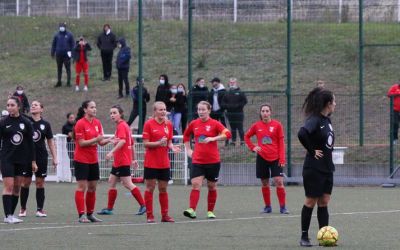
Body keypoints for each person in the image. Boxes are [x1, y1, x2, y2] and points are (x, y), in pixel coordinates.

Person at [297, 87, 336, 247]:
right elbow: (302, 133)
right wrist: (312, 151)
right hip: (314, 168)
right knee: (311, 201)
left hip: (327, 167)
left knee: (324, 201)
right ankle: (304, 237)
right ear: (328, 104)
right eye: (334, 101)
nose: (335, 104)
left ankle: (324, 237)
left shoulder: (327, 120)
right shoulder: (315, 119)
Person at [182, 101, 231, 220]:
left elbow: (227, 134)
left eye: (203, 109)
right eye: (199, 109)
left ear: (209, 110)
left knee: (212, 186)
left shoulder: (215, 123)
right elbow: (186, 135)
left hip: (213, 161)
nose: (201, 112)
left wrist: (214, 138)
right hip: (198, 160)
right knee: (195, 184)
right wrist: (188, 150)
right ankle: (192, 209)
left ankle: (210, 211)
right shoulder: (194, 123)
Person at [97, 105, 146, 216]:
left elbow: (123, 141)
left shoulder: (122, 126)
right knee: (112, 181)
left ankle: (143, 205)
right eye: (111, 113)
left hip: (122, 160)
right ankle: (109, 208)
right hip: (119, 160)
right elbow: (131, 144)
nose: (112, 115)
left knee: (128, 184)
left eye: (114, 113)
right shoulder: (124, 126)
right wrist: (133, 159)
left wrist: (111, 152)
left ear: (121, 114)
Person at [244, 103, 289, 215]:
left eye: (267, 111)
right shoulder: (256, 126)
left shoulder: (277, 125)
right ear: (260, 113)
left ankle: (283, 207)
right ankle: (267, 207)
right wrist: (253, 147)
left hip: (275, 158)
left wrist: (282, 159)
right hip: (262, 158)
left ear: (270, 112)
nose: (265, 113)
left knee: (279, 181)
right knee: (265, 183)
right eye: (263, 111)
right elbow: (246, 136)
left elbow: (281, 143)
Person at [0, 96, 37, 224]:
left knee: (17, 188)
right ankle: (8, 216)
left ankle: (11, 214)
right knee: (8, 187)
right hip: (7, 159)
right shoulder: (3, 122)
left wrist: (33, 161)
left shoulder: (26, 122)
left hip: (22, 160)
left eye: (12, 105)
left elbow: (31, 143)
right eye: (8, 105)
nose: (9, 107)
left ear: (18, 106)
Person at [142, 101, 180, 223]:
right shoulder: (148, 124)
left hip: (164, 162)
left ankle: (165, 215)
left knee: (163, 189)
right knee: (150, 188)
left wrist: (172, 147)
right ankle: (149, 215)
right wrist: (158, 143)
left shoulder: (168, 124)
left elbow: (169, 142)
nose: (163, 112)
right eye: (160, 110)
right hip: (151, 162)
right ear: (155, 111)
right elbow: (145, 143)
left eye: (164, 110)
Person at [73, 100, 110, 223]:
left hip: (93, 160)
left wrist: (110, 140)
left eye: (95, 107)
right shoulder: (80, 123)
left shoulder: (97, 123)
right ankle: (81, 215)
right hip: (81, 160)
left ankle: (90, 214)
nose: (94, 109)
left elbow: (100, 142)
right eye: (92, 107)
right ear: (85, 109)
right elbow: (81, 143)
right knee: (81, 187)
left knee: (93, 187)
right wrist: (96, 139)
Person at [19, 101, 57, 218]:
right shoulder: (26, 122)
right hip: (26, 157)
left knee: (40, 183)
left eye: (36, 105)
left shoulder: (46, 124)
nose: (33, 106)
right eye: (32, 105)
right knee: (26, 182)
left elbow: (50, 142)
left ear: (42, 109)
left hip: (41, 157)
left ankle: (39, 210)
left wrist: (55, 157)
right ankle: (23, 209)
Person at [221, 78, 247, 146]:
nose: (232, 84)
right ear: (229, 83)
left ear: (236, 83)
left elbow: (244, 101)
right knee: (232, 128)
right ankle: (233, 141)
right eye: (231, 82)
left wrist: (238, 106)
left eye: (233, 82)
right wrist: (228, 106)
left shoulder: (240, 92)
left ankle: (242, 141)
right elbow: (223, 103)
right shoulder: (226, 93)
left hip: (239, 113)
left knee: (240, 127)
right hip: (230, 113)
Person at [51, 22, 75, 88]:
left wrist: (73, 54)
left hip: (66, 55)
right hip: (58, 54)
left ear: (65, 27)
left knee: (68, 69)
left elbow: (73, 45)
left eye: (63, 26)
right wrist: (52, 53)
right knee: (59, 68)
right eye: (60, 26)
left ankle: (68, 82)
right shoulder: (56, 35)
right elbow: (53, 45)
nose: (61, 27)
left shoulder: (69, 35)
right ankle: (59, 82)